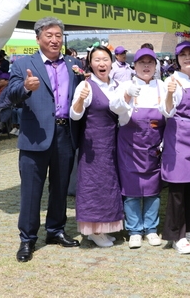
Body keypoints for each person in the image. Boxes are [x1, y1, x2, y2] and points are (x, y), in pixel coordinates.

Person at [8, 17, 83, 263]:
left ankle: (55, 230)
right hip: (35, 136)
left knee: (60, 187)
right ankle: (28, 239)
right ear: (38, 38)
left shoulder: (73, 64)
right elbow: (12, 94)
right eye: (49, 35)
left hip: (64, 134)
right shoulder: (23, 64)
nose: (54, 40)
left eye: (59, 35)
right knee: (31, 190)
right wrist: (27, 87)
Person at [110, 47, 166, 249]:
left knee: (152, 191)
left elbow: (169, 113)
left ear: (155, 66)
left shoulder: (162, 86)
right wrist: (126, 94)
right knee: (132, 191)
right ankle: (134, 230)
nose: (146, 66)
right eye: (142, 62)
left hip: (153, 149)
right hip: (129, 149)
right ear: (135, 66)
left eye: (150, 62)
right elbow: (114, 107)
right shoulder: (126, 84)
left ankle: (151, 229)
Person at [70, 46, 123, 248]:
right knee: (94, 185)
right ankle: (94, 230)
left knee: (110, 184)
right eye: (97, 60)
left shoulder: (117, 85)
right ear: (90, 64)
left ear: (112, 63)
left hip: (114, 142)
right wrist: (81, 99)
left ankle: (107, 226)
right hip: (94, 143)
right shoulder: (86, 86)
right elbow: (75, 114)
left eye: (105, 59)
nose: (102, 64)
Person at [160, 41, 190, 254]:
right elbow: (167, 111)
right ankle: (174, 234)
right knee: (177, 189)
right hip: (178, 139)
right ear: (177, 60)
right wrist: (169, 93)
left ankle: (188, 228)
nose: (187, 58)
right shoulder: (172, 81)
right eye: (182, 55)